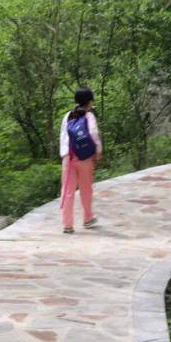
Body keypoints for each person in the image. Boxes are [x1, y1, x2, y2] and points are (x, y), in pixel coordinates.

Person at [59, 88, 103, 233]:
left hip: (69, 158)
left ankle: (67, 224)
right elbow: (93, 133)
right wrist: (98, 150)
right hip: (85, 158)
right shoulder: (89, 115)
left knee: (67, 190)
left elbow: (64, 137)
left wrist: (64, 154)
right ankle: (87, 218)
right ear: (89, 101)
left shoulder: (68, 116)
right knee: (86, 189)